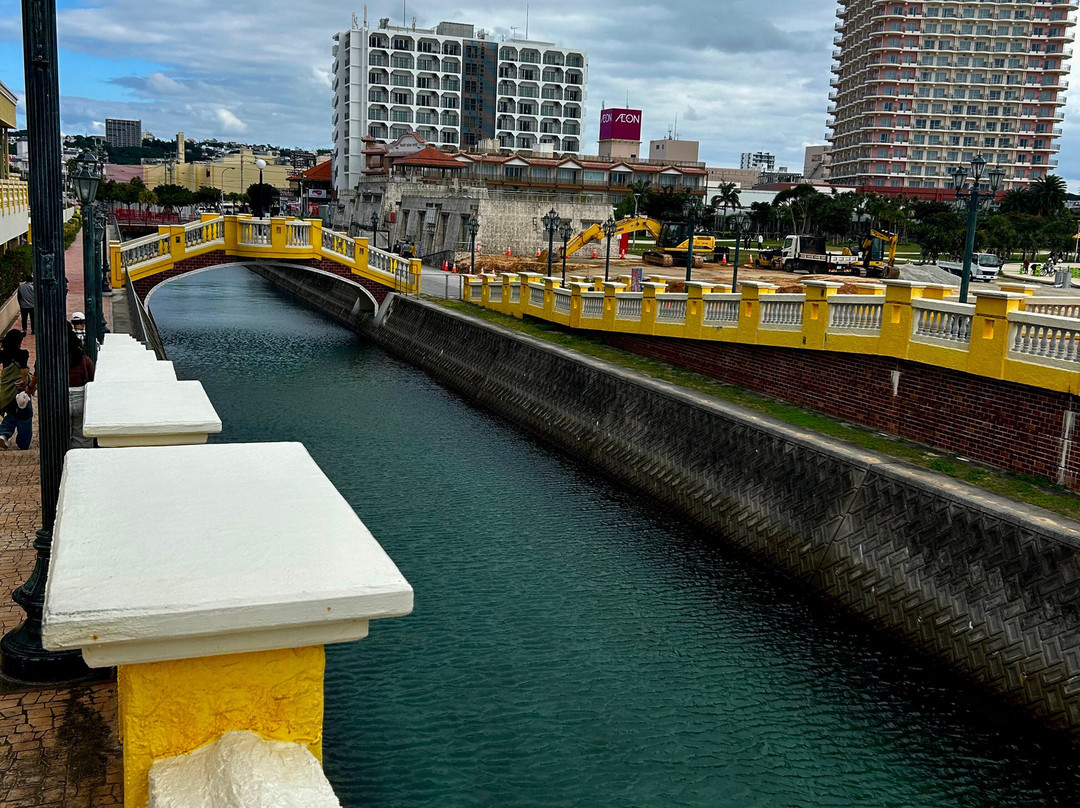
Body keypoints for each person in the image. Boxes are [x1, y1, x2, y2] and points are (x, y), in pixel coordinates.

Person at [0, 329, 34, 450]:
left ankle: (3, 434)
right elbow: (24, 369)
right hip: (19, 391)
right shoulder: (23, 354)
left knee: (12, 414)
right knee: (25, 415)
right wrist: (24, 381)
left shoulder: (2, 354)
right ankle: (22, 442)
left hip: (5, 392)